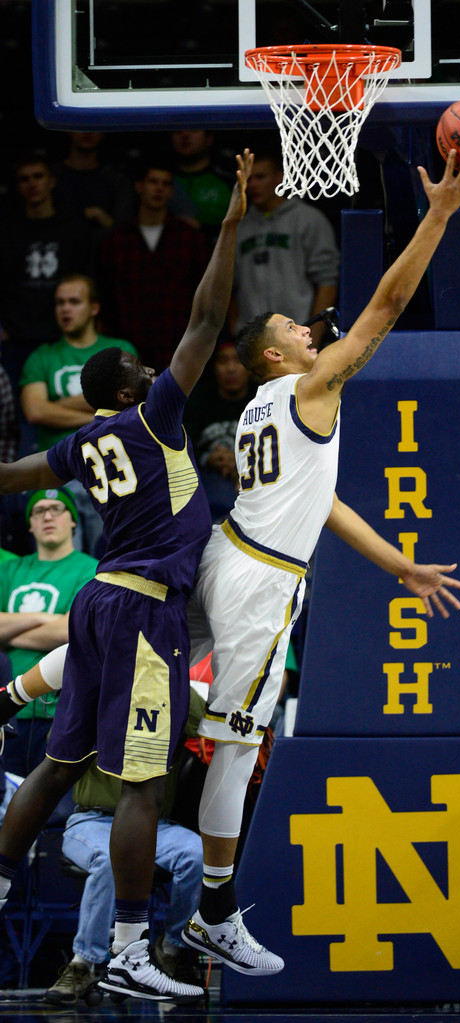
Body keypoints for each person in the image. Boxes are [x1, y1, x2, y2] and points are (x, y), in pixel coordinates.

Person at [181, 149, 460, 975]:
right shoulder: (313, 390)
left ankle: (18, 691)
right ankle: (213, 912)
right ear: (276, 357)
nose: (310, 329)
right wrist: (437, 215)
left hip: (227, 550)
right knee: (238, 744)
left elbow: (321, 503)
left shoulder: (261, 406)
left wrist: (400, 567)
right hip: (259, 580)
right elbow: (386, 305)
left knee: (151, 667)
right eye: (292, 329)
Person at [0, 150, 253, 1004]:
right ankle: (132, 946)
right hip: (144, 612)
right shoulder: (154, 417)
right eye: (144, 369)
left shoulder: (78, 446)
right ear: (132, 385)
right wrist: (227, 225)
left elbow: (16, 471)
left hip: (95, 603)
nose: (157, 370)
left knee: (62, 764)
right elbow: (208, 315)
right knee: (145, 780)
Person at [10, 646, 206, 1004]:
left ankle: (172, 950)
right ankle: (84, 964)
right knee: (111, 860)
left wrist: (174, 681)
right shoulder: (95, 689)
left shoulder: (172, 689)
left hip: (155, 826)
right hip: (91, 820)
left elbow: (207, 724)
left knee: (196, 854)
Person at [19, 273, 138, 554]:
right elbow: (35, 410)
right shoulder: (42, 356)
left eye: (74, 301)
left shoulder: (120, 351)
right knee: (65, 555)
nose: (65, 309)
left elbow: (127, 404)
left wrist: (56, 404)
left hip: (110, 468)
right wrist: (97, 414)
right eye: (60, 302)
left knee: (111, 555)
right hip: (60, 472)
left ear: (94, 308)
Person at [0, 488, 97, 777]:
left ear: (73, 520)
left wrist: (9, 630)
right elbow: (60, 627)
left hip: (58, 709)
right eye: (39, 510)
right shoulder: (10, 569)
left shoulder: (91, 569)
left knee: (51, 814)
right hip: (6, 708)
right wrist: (48, 618)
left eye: (57, 508)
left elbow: (71, 631)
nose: (48, 516)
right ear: (30, 523)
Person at [97, 161, 209, 372]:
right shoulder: (116, 240)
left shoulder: (189, 238)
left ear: (171, 191)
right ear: (139, 186)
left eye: (165, 184)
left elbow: (203, 293)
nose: (159, 188)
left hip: (177, 344)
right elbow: (105, 295)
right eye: (153, 182)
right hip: (127, 344)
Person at [0, 152, 94, 388]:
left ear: (51, 181)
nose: (32, 184)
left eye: (38, 176)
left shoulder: (73, 228)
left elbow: (87, 279)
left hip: (61, 336)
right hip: (16, 338)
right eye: (24, 179)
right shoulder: (7, 230)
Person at [228, 151, 340, 348]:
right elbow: (231, 287)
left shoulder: (309, 219)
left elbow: (327, 283)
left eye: (260, 177)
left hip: (297, 334)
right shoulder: (239, 226)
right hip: (252, 342)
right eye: (249, 179)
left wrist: (312, 338)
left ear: (280, 177)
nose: (253, 185)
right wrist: (235, 334)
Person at [183, 336, 257, 521]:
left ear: (249, 367)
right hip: (206, 475)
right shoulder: (197, 398)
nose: (230, 369)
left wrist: (239, 461)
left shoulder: (262, 397)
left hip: (254, 473)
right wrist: (208, 458)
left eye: (238, 361)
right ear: (214, 366)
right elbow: (182, 443)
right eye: (223, 361)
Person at [53, 131, 136, 238]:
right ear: (68, 129)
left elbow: (125, 231)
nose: (87, 132)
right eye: (81, 124)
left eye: (93, 125)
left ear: (103, 133)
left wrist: (105, 220)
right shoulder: (50, 178)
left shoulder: (117, 181)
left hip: (105, 249)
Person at [168, 129, 233, 244]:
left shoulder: (230, 182)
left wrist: (204, 229)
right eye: (177, 130)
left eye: (194, 129)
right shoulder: (159, 181)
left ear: (209, 139)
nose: (185, 134)